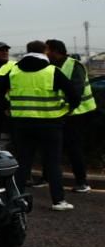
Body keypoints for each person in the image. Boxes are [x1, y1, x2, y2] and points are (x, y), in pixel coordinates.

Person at [0, 40, 82, 211]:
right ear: (45, 51)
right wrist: (67, 110)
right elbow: (74, 95)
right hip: (50, 123)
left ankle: (17, 199)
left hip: (22, 123)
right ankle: (58, 201)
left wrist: (6, 108)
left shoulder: (15, 70)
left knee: (23, 161)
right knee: (53, 162)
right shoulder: (52, 71)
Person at [46, 39, 95, 194]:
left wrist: (63, 107)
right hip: (61, 112)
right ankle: (47, 178)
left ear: (55, 51)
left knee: (74, 148)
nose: (45, 53)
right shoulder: (51, 66)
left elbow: (76, 91)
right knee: (54, 147)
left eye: (47, 50)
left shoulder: (74, 65)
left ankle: (82, 181)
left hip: (77, 113)